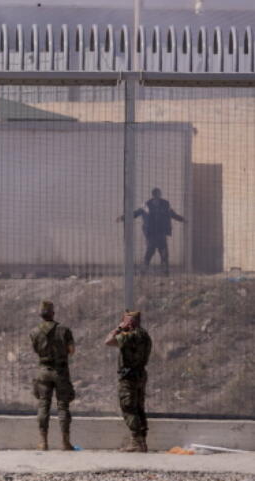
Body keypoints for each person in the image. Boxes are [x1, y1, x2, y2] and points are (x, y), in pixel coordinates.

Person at [30, 300, 76, 451]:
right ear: (53, 313)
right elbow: (71, 350)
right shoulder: (64, 330)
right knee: (63, 406)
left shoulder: (34, 332)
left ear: (40, 314)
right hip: (61, 371)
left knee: (44, 405)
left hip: (44, 371)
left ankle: (43, 442)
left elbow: (36, 350)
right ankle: (65, 442)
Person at [105, 309, 153, 452]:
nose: (122, 323)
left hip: (129, 376)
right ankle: (142, 441)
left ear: (130, 322)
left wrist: (119, 328)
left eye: (125, 320)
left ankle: (136, 441)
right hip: (140, 374)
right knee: (139, 408)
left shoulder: (130, 336)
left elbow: (108, 341)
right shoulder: (145, 335)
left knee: (128, 408)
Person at [124, 188, 185, 275]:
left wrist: (182, 219)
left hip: (161, 231)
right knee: (150, 250)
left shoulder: (165, 204)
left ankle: (165, 270)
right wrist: (124, 217)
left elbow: (172, 214)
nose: (157, 197)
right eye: (156, 195)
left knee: (164, 251)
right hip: (151, 232)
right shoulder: (146, 205)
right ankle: (144, 269)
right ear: (153, 196)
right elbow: (136, 213)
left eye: (159, 195)